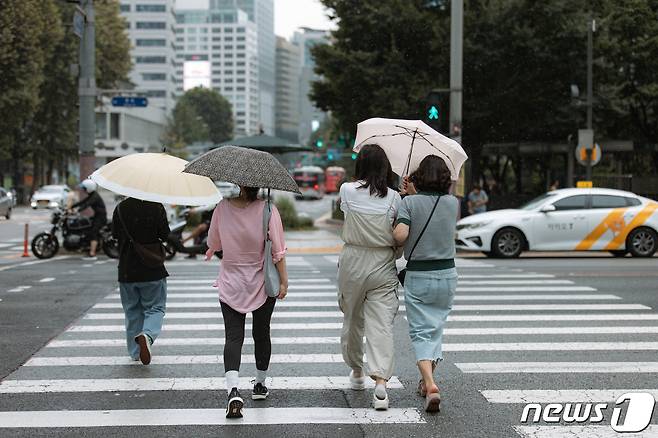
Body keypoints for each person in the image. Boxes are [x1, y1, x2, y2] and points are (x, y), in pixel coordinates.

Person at [205, 186, 288, 419]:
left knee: (233, 336)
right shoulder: (268, 209)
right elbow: (278, 251)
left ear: (239, 185)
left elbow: (214, 242)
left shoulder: (222, 208)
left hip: (231, 280)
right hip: (261, 280)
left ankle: (233, 390)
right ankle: (260, 385)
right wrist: (284, 282)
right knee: (261, 333)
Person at [338, 144, 401, 411]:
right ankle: (381, 385)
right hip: (383, 263)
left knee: (352, 318)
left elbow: (347, 216)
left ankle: (356, 370)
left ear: (360, 165)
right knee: (381, 323)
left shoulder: (346, 190)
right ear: (385, 167)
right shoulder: (395, 198)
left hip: (353, 261)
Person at [393, 155, 459, 413]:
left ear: (419, 177)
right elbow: (433, 211)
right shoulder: (453, 203)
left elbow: (400, 235)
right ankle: (425, 381)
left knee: (421, 333)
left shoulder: (409, 203)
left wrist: (407, 198)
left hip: (419, 275)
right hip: (447, 275)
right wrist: (413, 195)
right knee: (435, 329)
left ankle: (431, 385)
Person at [111, 197, 170, 365]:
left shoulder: (121, 208)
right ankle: (147, 335)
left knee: (132, 311)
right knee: (156, 308)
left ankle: (136, 353)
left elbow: (114, 234)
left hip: (126, 270)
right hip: (152, 269)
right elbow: (165, 234)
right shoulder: (156, 207)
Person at [71, 179, 107, 260]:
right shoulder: (92, 194)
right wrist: (71, 207)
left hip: (100, 217)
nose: (83, 190)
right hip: (97, 216)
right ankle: (85, 246)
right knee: (85, 226)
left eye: (84, 188)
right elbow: (83, 202)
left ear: (88, 188)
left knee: (93, 232)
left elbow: (87, 204)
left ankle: (92, 253)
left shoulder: (94, 196)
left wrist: (77, 210)